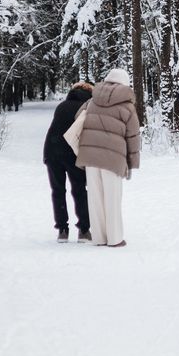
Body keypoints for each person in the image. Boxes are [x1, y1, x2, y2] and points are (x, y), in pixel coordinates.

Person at [76, 68, 140, 247]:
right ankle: (115, 238)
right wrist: (132, 163)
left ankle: (99, 238)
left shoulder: (92, 100)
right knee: (112, 197)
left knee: (95, 197)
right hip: (113, 158)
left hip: (90, 156)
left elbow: (77, 118)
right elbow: (133, 135)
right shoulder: (126, 105)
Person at [43, 82, 94, 242]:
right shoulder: (87, 108)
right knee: (79, 190)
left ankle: (62, 230)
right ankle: (84, 230)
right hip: (72, 154)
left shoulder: (62, 106)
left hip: (51, 150)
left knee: (58, 190)